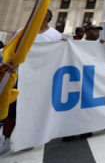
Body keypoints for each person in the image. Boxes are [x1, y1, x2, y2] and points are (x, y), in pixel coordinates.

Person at [0, 9, 61, 155]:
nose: (39, 19)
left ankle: (27, 139)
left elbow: (58, 56)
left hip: (40, 79)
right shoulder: (22, 31)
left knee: (32, 111)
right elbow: (12, 50)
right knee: (12, 110)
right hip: (19, 76)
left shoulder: (55, 35)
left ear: (48, 19)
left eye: (43, 16)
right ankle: (5, 140)